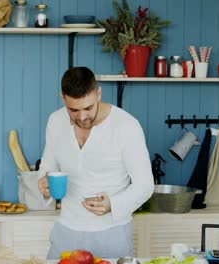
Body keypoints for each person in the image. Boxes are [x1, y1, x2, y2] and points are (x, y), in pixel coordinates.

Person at [37, 66, 154, 259]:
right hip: (66, 229)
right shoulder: (55, 121)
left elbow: (145, 185)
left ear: (98, 94)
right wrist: (44, 180)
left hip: (111, 232)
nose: (82, 117)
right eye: (73, 109)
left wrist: (113, 204)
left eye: (88, 108)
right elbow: (48, 165)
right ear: (63, 98)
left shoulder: (126, 126)